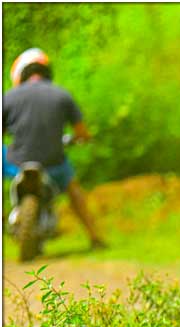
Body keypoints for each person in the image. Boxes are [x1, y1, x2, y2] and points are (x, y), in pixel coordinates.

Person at [3, 48, 106, 249]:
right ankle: (95, 236)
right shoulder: (62, 95)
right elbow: (82, 133)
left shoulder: (8, 98)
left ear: (19, 74)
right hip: (54, 165)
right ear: (46, 71)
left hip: (15, 164)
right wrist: (77, 139)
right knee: (73, 187)